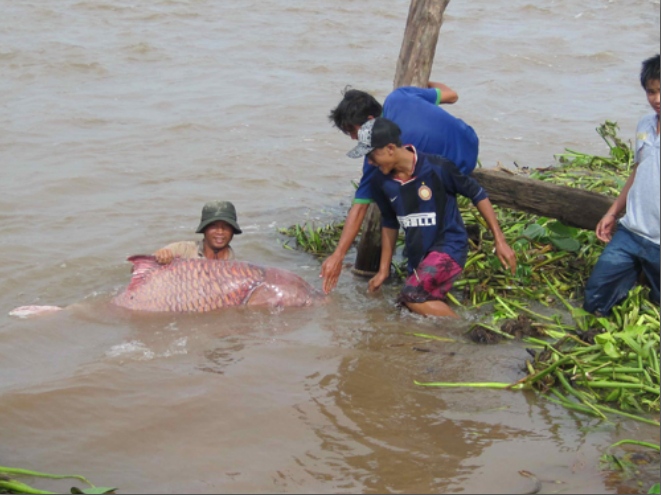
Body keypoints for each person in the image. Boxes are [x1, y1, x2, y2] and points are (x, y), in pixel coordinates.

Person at [347, 117, 516, 319]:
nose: (370, 162)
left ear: (391, 148)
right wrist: (383, 271)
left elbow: (477, 194)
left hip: (449, 246)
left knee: (411, 296)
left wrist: (500, 239)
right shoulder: (380, 181)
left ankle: (465, 331)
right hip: (419, 256)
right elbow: (389, 223)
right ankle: (449, 343)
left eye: (372, 155)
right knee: (407, 309)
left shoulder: (437, 167)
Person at [321, 82, 479, 294]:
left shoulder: (389, 151)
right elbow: (452, 95)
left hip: (447, 174)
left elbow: (359, 209)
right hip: (470, 142)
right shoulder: (400, 95)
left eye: (353, 131)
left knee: (392, 187)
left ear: (370, 122)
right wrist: (425, 83)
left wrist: (338, 255)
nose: (352, 138)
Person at [583, 54, 660, 315]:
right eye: (651, 92)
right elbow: (638, 171)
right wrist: (613, 212)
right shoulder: (645, 124)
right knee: (595, 300)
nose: (657, 99)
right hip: (631, 232)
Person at [153, 200, 242, 265]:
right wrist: (161, 255)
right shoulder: (183, 250)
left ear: (233, 231)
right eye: (213, 226)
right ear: (204, 229)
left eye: (226, 226)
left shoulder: (237, 268)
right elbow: (148, 264)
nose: (220, 231)